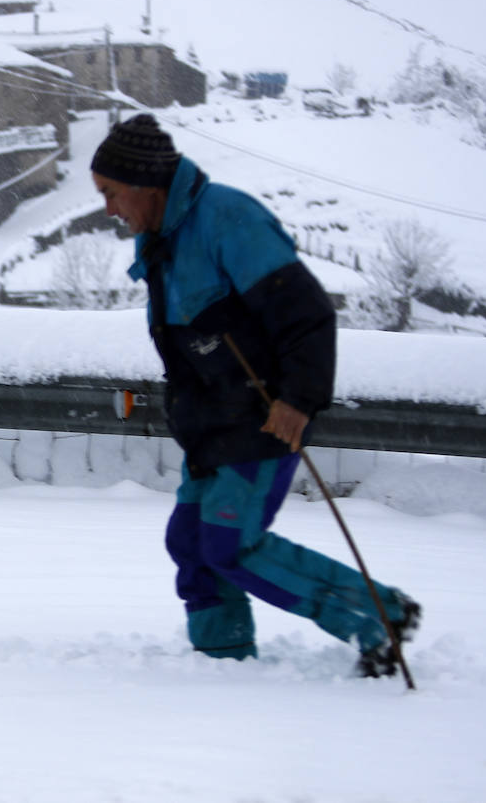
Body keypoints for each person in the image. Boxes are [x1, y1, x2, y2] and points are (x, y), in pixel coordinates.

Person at [91, 113, 421, 677]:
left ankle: (379, 616)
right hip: (210, 424)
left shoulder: (228, 219)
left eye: (111, 193)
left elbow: (307, 315)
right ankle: (224, 664)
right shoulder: (161, 243)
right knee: (193, 542)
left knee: (231, 545)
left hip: (264, 418)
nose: (109, 209)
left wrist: (298, 401)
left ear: (147, 187)